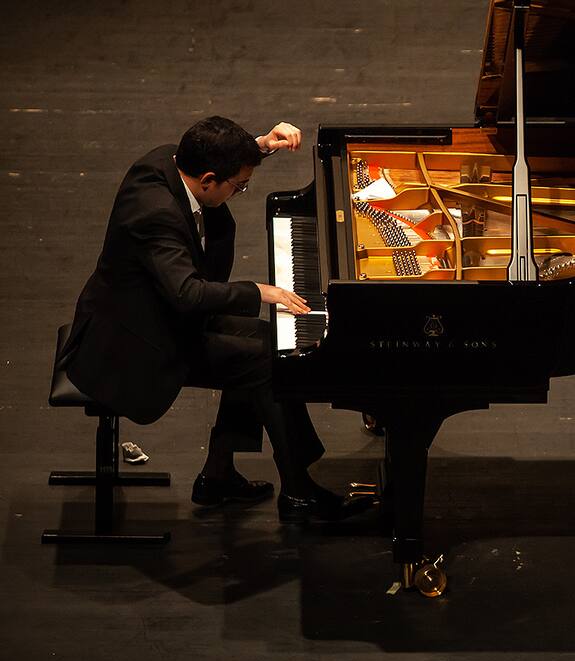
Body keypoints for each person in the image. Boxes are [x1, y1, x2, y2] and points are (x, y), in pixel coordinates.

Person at [59, 116, 360, 523]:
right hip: (133, 343)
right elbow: (187, 294)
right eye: (238, 185)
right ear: (207, 179)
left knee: (266, 341)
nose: (240, 191)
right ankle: (298, 491)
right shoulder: (156, 214)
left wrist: (259, 147)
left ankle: (218, 474)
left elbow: (215, 167)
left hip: (154, 315)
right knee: (267, 364)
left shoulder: (167, 160)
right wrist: (259, 290)